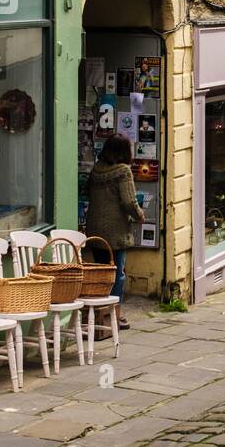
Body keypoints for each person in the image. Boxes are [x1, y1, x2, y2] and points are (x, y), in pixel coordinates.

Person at [85, 135, 144, 326]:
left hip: (95, 229)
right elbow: (129, 201)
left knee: (102, 274)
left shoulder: (96, 170)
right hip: (115, 232)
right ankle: (114, 315)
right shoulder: (123, 171)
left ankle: (101, 314)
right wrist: (139, 215)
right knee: (118, 274)